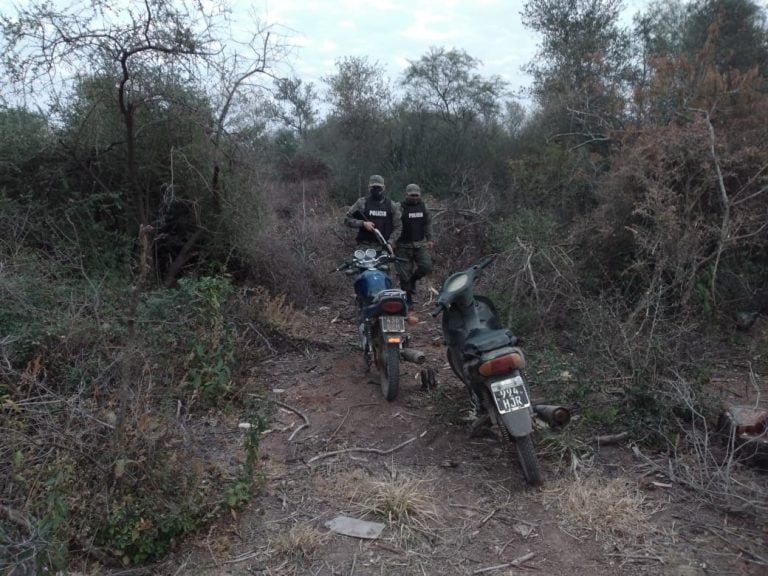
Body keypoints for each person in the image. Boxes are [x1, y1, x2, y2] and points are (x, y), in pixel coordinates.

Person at [394, 183, 433, 305]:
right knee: (404, 274)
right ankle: (408, 298)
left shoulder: (423, 207)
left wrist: (430, 239)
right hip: (402, 245)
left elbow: (427, 224)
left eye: (417, 195)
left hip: (419, 244)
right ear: (406, 194)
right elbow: (394, 225)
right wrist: (392, 241)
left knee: (426, 266)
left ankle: (413, 280)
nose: (415, 197)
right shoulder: (398, 207)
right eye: (412, 195)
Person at [343, 174, 401, 251]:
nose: (376, 190)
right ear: (369, 188)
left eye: (379, 187)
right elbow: (347, 220)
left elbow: (398, 227)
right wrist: (363, 223)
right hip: (364, 246)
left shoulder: (391, 205)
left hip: (384, 247)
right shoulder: (361, 203)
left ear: (383, 188)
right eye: (373, 187)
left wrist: (391, 242)